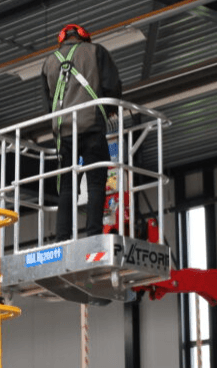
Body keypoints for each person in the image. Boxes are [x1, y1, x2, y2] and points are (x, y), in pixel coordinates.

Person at [41, 23, 122, 241]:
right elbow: (112, 86)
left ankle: (62, 237)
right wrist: (110, 112)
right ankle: (94, 235)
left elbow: (48, 103)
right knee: (96, 182)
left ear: (62, 39)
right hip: (92, 126)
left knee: (67, 186)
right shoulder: (97, 52)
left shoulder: (49, 62)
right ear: (85, 38)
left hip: (64, 133)